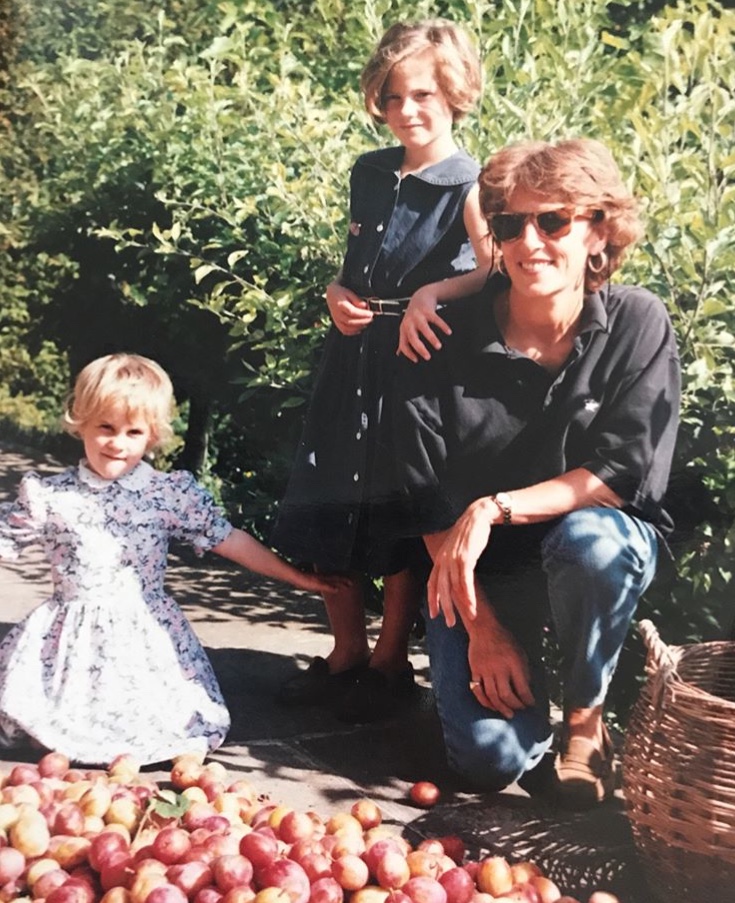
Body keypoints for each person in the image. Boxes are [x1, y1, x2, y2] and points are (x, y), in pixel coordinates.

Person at [391, 138, 681, 807]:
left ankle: (584, 724)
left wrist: (492, 506)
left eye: (552, 221)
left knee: (593, 541)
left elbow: (619, 473)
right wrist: (482, 630)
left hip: (587, 550)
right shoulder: (439, 336)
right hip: (477, 574)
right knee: (489, 759)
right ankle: (511, 701)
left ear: (597, 231)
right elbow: (424, 499)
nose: (529, 243)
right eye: (509, 225)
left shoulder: (636, 323)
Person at [270, 19, 494, 723]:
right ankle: (345, 650)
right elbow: (351, 265)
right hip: (352, 353)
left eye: (422, 94)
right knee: (332, 489)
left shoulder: (471, 184)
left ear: (454, 94)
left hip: (416, 360)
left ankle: (390, 659)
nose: (406, 110)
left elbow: (493, 271)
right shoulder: (368, 172)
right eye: (393, 97)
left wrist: (434, 292)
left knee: (397, 506)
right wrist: (334, 293)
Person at [0, 353, 345, 766]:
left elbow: (229, 539)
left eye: (133, 432)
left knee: (169, 725)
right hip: (70, 639)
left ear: (151, 436)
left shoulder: (166, 494)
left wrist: (297, 578)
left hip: (143, 635)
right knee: (48, 727)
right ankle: (66, 742)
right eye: (105, 427)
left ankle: (137, 747)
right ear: (82, 423)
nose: (117, 443)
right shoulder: (51, 496)